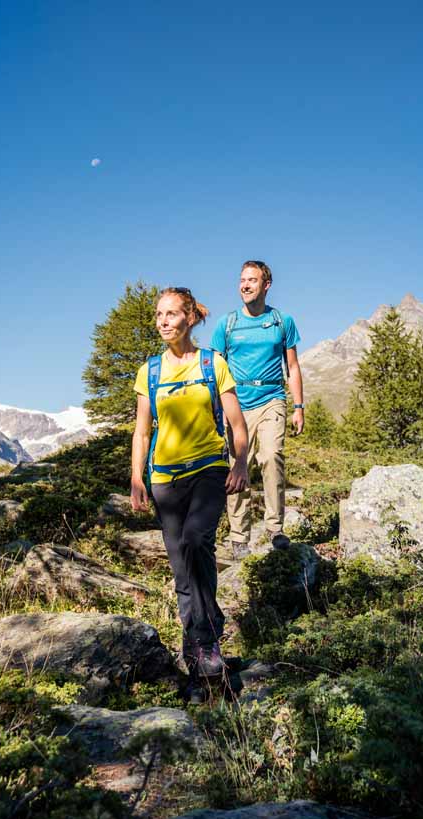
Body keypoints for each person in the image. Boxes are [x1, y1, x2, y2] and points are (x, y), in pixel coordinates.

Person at [130, 287, 249, 699]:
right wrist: (136, 478)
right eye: (158, 315)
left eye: (171, 315)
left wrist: (240, 462)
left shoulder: (212, 363)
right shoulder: (150, 371)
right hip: (164, 478)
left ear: (189, 319)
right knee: (182, 568)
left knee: (197, 541)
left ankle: (207, 637)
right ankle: (199, 653)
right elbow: (142, 429)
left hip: (208, 471)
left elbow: (236, 421)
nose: (163, 321)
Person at [209, 260, 304, 559]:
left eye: (252, 279)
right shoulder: (227, 324)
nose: (245, 285)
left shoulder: (281, 321)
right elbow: (213, 369)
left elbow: (292, 366)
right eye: (242, 280)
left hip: (272, 397)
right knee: (239, 467)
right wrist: (217, 408)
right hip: (236, 404)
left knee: (272, 455)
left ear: (266, 285)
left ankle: (275, 529)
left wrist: (298, 406)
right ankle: (239, 538)